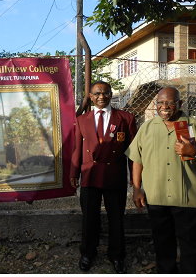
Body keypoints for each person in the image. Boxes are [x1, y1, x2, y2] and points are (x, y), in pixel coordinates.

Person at [125, 86, 196, 273]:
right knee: (162, 243)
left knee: (191, 245)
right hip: (157, 197)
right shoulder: (147, 128)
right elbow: (137, 159)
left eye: (169, 102)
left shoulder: (195, 126)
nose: (164, 106)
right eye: (160, 102)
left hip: (187, 197)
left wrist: (194, 153)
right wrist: (136, 189)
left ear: (179, 104)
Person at [70, 81, 137, 273]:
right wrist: (73, 172)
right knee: (89, 218)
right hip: (89, 175)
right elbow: (77, 149)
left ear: (111, 94)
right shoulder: (82, 120)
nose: (102, 97)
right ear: (90, 96)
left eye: (106, 93)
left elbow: (133, 152)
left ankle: (117, 255)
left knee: (116, 218)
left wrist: (135, 177)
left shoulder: (126, 118)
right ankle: (87, 253)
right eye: (97, 93)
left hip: (114, 176)